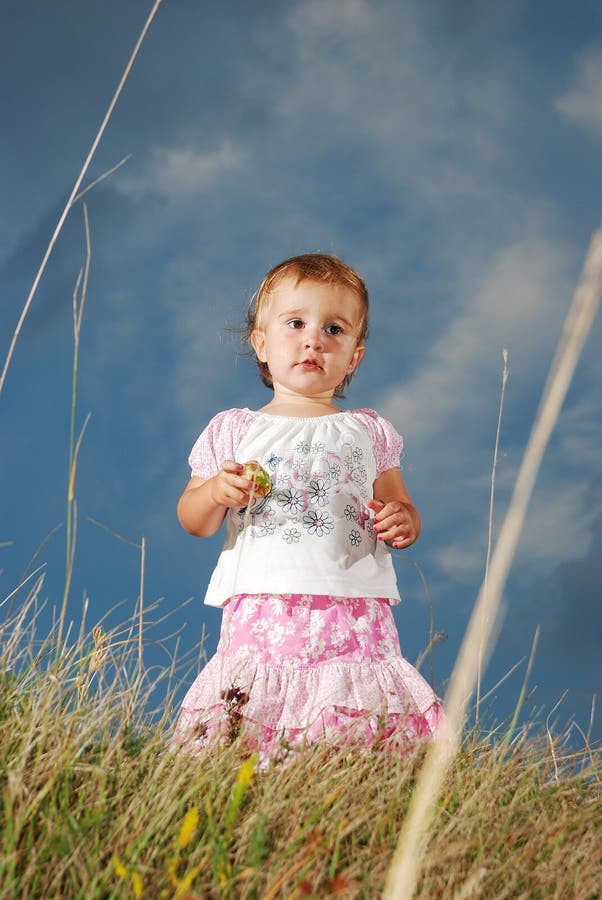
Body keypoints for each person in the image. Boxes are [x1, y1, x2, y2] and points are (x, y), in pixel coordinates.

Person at [173, 253, 443, 760]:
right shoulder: (235, 429)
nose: (314, 339)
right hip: (265, 607)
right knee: (256, 710)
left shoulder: (368, 431)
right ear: (260, 342)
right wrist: (215, 493)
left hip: (353, 607)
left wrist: (402, 520)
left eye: (334, 329)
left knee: (353, 710)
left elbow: (402, 505)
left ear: (354, 357)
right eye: (295, 323)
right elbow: (194, 519)